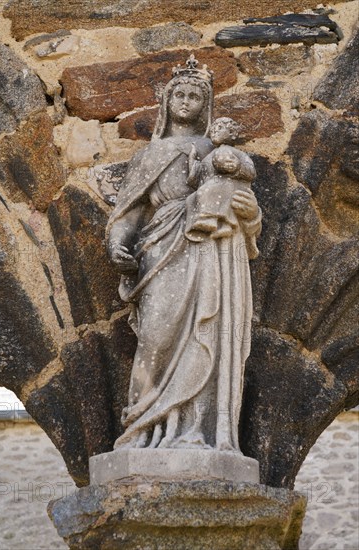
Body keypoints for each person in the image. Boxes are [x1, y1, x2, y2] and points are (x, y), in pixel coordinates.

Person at [106, 55, 262, 452]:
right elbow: (130, 210)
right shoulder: (150, 154)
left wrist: (252, 215)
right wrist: (116, 243)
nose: (188, 101)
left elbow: (241, 208)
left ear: (205, 106)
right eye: (181, 94)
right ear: (167, 102)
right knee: (155, 337)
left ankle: (196, 430)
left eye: (196, 96)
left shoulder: (218, 152)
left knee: (204, 331)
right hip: (161, 246)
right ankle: (141, 426)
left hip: (210, 249)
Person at [186, 117, 259, 255]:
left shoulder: (235, 153)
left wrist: (237, 167)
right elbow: (200, 176)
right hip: (211, 188)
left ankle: (227, 223)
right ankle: (207, 220)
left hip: (229, 187)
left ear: (232, 134)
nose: (214, 132)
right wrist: (193, 163)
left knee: (212, 190)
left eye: (219, 128)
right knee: (192, 199)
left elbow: (250, 171)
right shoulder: (209, 156)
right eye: (212, 129)